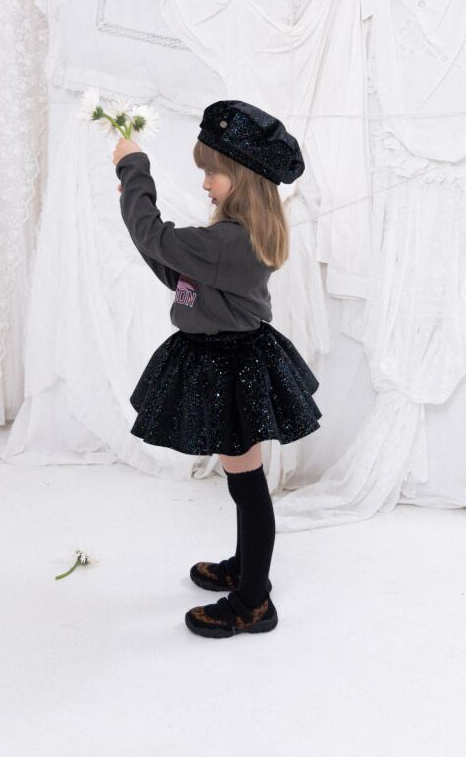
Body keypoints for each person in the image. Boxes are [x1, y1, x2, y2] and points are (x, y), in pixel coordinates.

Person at [112, 99, 322, 638]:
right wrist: (136, 211)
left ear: (244, 179)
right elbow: (176, 270)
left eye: (213, 172)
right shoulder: (235, 236)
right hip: (231, 358)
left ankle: (253, 601)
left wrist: (133, 169)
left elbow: (156, 238)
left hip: (230, 367)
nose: (205, 183)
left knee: (246, 483)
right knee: (242, 479)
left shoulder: (229, 241)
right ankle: (246, 568)